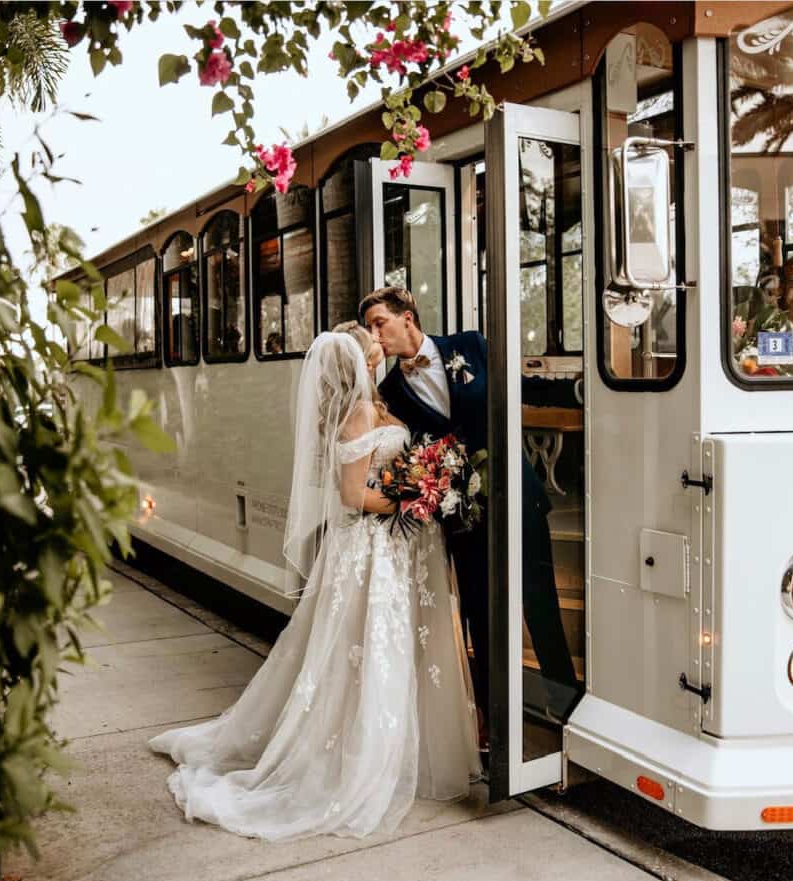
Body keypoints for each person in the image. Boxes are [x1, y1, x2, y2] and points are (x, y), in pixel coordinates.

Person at [149, 326, 480, 841]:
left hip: (393, 547)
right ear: (358, 360)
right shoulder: (359, 413)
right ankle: (367, 761)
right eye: (370, 341)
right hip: (372, 548)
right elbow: (353, 495)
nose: (378, 342)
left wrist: (422, 485)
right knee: (373, 648)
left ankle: (396, 752)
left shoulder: (375, 402)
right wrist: (418, 499)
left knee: (385, 646)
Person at [360, 286, 578, 749]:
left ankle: (564, 706)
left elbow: (520, 387)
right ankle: (492, 719)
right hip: (461, 515)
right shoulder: (389, 393)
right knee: (480, 615)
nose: (375, 334)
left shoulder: (470, 346)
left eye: (380, 323)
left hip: (516, 495)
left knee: (540, 602)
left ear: (407, 317)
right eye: (369, 329)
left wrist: (578, 391)